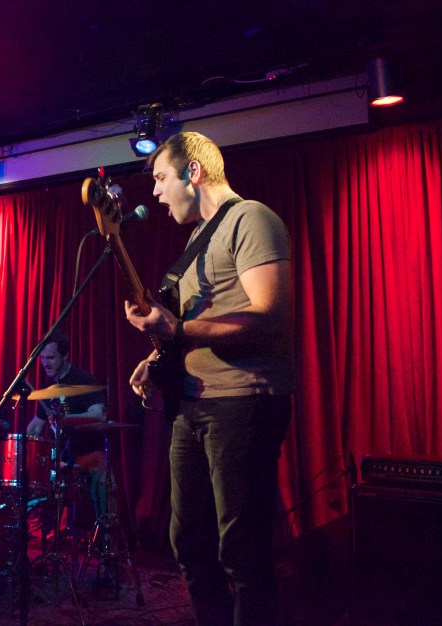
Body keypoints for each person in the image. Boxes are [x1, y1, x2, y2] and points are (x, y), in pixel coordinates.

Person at [125, 132, 293, 626]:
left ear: (193, 173)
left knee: (241, 549)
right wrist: (158, 355)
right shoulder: (197, 239)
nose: (155, 192)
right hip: (192, 405)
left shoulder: (252, 219)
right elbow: (198, 325)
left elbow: (269, 315)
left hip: (243, 402)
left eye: (161, 178)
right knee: (188, 542)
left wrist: (176, 330)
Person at [26, 330, 108, 524]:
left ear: (65, 356)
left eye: (51, 358)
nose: (46, 363)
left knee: (102, 472)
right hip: (62, 458)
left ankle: (102, 532)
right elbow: (36, 427)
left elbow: (99, 414)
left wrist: (66, 419)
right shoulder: (49, 387)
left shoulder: (83, 380)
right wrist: (14, 444)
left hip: (87, 453)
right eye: (43, 358)